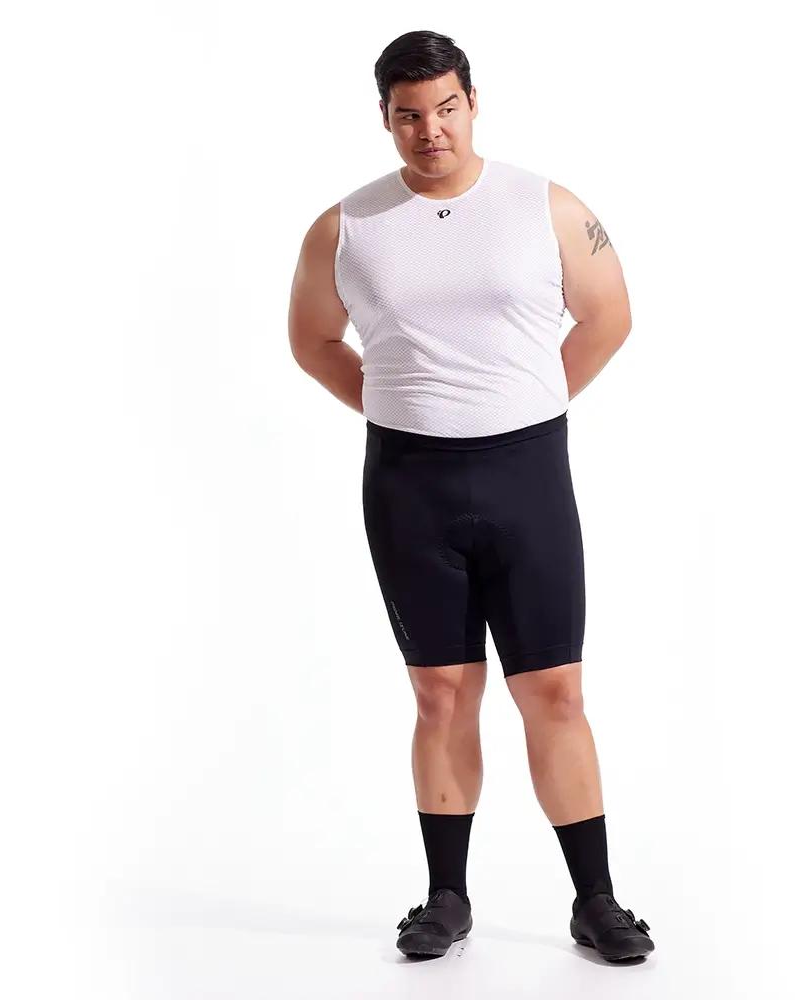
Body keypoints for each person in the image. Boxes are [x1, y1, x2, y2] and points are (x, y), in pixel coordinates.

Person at [288, 29, 654, 963]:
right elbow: (313, 341)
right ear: (385, 118)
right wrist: (400, 404)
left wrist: (526, 404)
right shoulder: (346, 226)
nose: (431, 131)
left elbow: (609, 315)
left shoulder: (545, 205)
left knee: (556, 692)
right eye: (409, 115)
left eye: (446, 108)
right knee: (441, 695)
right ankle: (445, 897)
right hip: (409, 485)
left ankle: (597, 900)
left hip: (526, 476)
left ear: (472, 102)